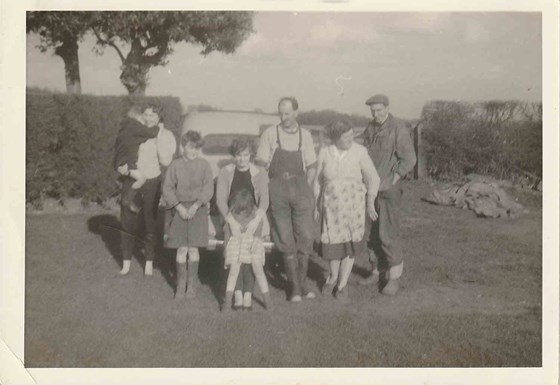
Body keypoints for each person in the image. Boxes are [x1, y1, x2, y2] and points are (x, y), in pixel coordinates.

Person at [255, 97, 317, 303]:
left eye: (288, 113)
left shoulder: (305, 135)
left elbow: (312, 166)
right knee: (284, 236)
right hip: (277, 187)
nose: (284, 117)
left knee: (306, 236)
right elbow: (261, 164)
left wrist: (307, 187)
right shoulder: (271, 134)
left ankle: (301, 283)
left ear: (296, 113)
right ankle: (295, 289)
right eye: (281, 113)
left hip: (301, 188)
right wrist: (266, 189)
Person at [313, 121, 380, 299]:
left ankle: (342, 285)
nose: (351, 139)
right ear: (335, 138)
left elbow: (373, 178)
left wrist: (370, 202)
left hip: (353, 207)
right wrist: (316, 204)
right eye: (346, 137)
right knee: (332, 245)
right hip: (331, 207)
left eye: (351, 135)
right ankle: (333, 276)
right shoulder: (325, 153)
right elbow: (318, 181)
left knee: (349, 246)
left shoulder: (360, 152)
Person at [359, 94, 416, 295]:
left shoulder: (398, 128)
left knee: (388, 233)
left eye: (379, 110)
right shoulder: (370, 128)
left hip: (388, 191)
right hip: (370, 189)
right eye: (373, 111)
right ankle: (377, 271)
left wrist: (393, 179)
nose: (376, 114)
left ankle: (394, 278)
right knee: (372, 233)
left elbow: (409, 159)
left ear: (387, 108)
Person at [117, 103, 176, 277]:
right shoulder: (134, 129)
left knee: (149, 222)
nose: (149, 118)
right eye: (146, 115)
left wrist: (158, 136)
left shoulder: (166, 135)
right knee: (127, 220)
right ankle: (126, 262)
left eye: (153, 115)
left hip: (152, 181)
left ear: (159, 118)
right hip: (131, 179)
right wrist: (123, 167)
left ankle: (149, 261)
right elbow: (122, 150)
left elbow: (165, 161)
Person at [216, 138, 272, 311]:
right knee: (234, 257)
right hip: (232, 217)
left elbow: (264, 200)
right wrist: (231, 222)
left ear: (251, 155)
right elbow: (220, 200)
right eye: (239, 155)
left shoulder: (259, 172)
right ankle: (237, 296)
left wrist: (256, 222)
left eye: (246, 155)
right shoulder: (225, 171)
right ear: (234, 156)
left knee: (252, 257)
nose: (242, 159)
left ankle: (248, 295)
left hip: (254, 217)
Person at [162, 131, 214, 300]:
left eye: (197, 148)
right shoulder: (175, 165)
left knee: (193, 249)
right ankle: (180, 285)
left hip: (197, 210)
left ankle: (191, 286)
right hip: (179, 210)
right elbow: (167, 188)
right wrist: (178, 207)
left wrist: (197, 205)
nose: (193, 151)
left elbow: (208, 188)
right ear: (183, 147)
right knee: (181, 248)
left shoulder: (204, 165)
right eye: (190, 148)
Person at [114, 105, 159, 213]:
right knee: (141, 179)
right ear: (138, 118)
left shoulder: (125, 128)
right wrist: (158, 126)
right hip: (127, 163)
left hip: (121, 161)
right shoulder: (135, 127)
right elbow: (152, 133)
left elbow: (138, 139)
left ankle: (126, 198)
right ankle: (128, 200)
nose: (144, 122)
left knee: (136, 178)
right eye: (143, 119)